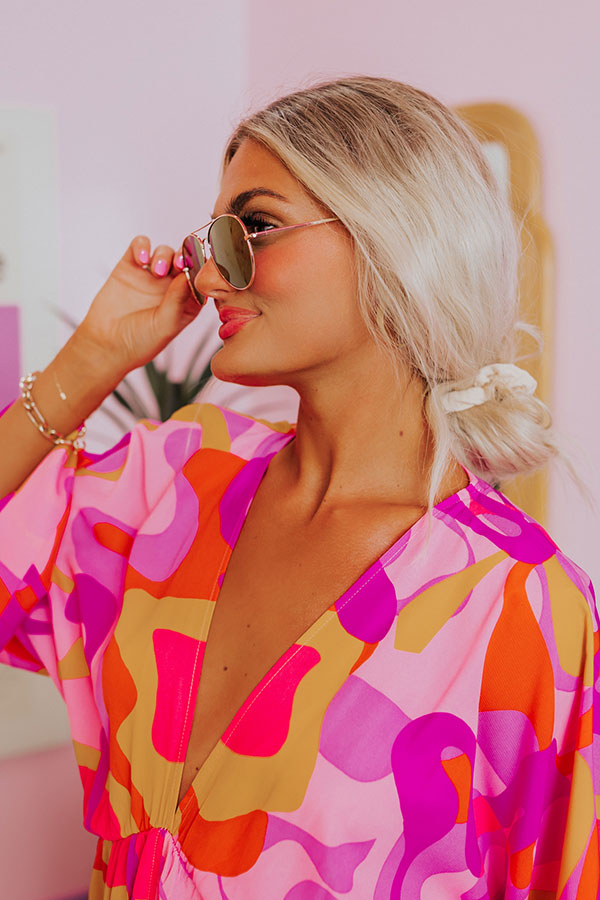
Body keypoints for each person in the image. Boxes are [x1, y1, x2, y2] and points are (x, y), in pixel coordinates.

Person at [0, 76, 597, 900]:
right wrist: (92, 358)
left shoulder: (520, 608)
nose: (210, 277)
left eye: (253, 228)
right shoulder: (172, 482)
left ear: (396, 235)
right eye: (211, 241)